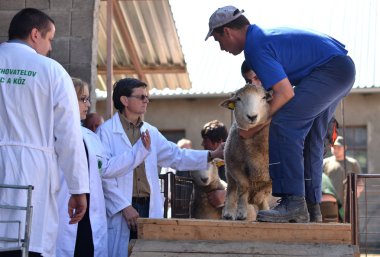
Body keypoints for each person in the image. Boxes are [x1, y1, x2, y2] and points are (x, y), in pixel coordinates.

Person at [206, 6, 356, 223]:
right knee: (312, 137)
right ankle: (313, 207)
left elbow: (284, 94)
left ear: (227, 31)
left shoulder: (255, 47)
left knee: (284, 125)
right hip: (340, 69)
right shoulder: (263, 37)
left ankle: (293, 203)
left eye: (218, 41)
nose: (221, 48)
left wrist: (254, 129)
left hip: (330, 71)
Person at [97, 78, 224, 257]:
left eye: (147, 97)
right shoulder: (106, 132)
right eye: (141, 97)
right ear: (125, 100)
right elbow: (102, 174)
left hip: (149, 206)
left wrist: (211, 155)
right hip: (123, 208)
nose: (146, 101)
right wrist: (123, 206)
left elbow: (176, 156)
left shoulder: (150, 132)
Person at [0, 8, 89, 257]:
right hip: (32, 177)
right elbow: (69, 136)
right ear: (35, 34)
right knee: (26, 243)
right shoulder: (52, 71)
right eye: (50, 39)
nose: (50, 47)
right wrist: (78, 189)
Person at [56, 78, 151, 257]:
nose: (88, 104)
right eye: (82, 99)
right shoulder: (53, 133)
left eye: (87, 99)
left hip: (90, 216)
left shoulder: (90, 137)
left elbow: (105, 170)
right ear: (66, 98)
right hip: (66, 211)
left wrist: (139, 151)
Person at [323, 136, 363, 220]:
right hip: (331, 201)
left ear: (345, 147)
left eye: (338, 147)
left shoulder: (353, 163)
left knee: (351, 224)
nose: (336, 150)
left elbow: (360, 182)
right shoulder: (325, 162)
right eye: (334, 147)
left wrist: (356, 192)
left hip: (348, 201)